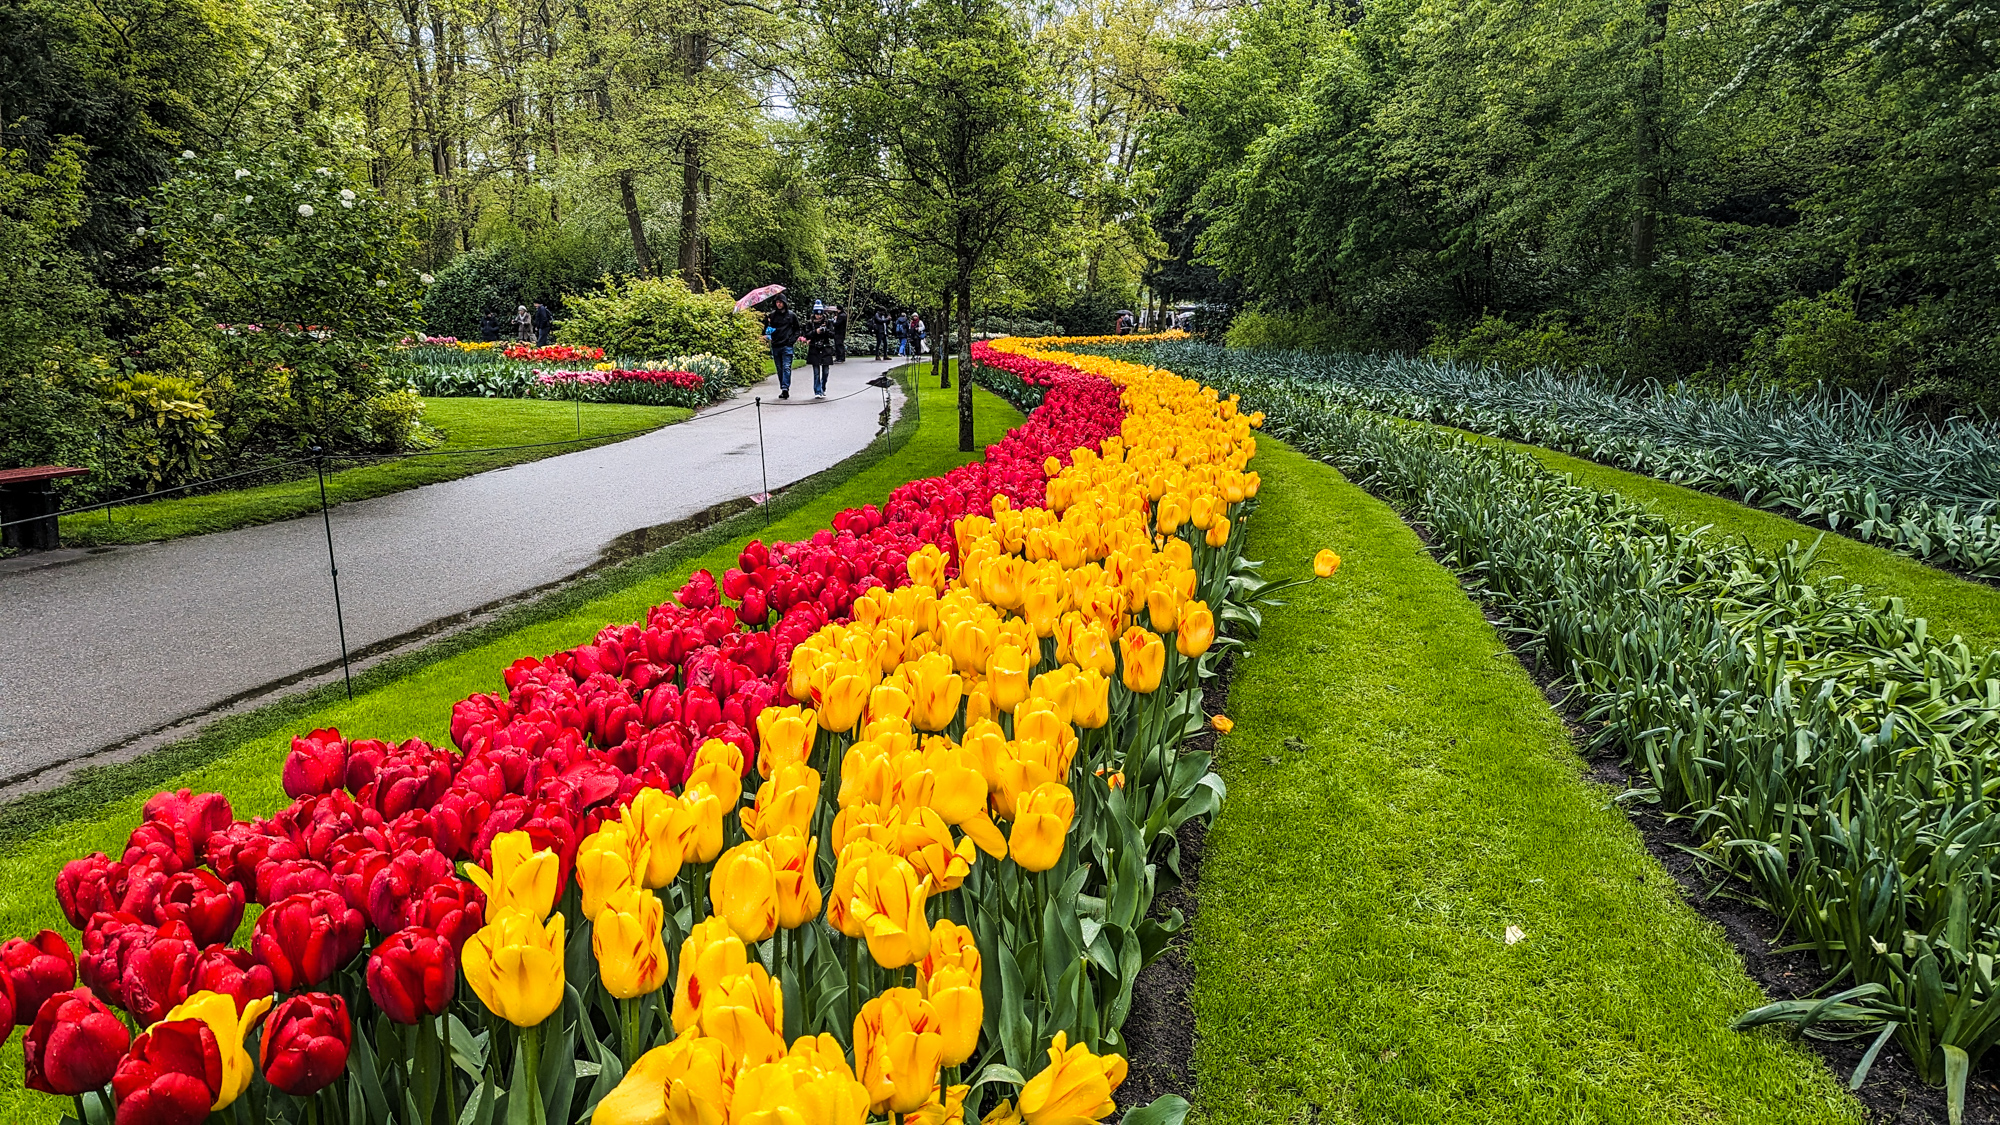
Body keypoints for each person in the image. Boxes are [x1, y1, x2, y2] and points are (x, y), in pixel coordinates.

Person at [765, 298, 801, 399]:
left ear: (784, 303)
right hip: (776, 345)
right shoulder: (772, 316)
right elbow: (768, 329)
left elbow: (797, 330)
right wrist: (767, 322)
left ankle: (785, 388)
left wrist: (791, 340)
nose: (778, 304)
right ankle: (783, 387)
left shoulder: (791, 315)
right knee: (779, 368)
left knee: (786, 367)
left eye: (780, 302)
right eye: (777, 302)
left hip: (787, 345)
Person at [804, 309, 836, 399]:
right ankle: (817, 391)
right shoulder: (810, 323)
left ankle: (822, 387)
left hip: (825, 348)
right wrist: (815, 331)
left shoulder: (828, 322)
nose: (819, 316)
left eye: (820, 314)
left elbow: (833, 334)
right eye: (817, 314)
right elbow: (807, 335)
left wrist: (825, 330)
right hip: (814, 348)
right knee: (816, 372)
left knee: (825, 372)